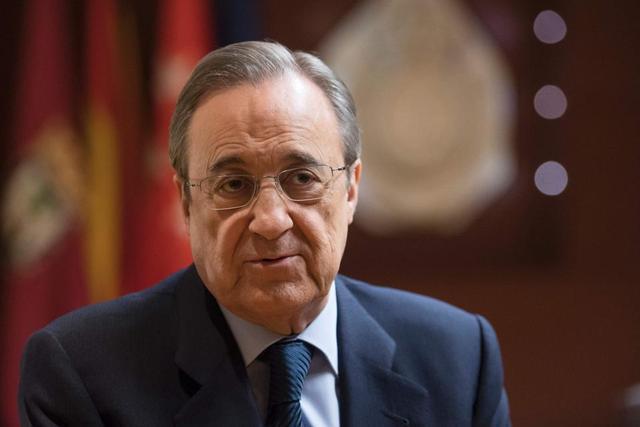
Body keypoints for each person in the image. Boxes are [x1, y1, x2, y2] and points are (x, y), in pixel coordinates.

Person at [19, 41, 511, 426]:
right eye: (234, 185)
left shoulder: (457, 358)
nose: (272, 220)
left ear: (351, 190)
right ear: (186, 203)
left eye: (302, 179)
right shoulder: (82, 374)